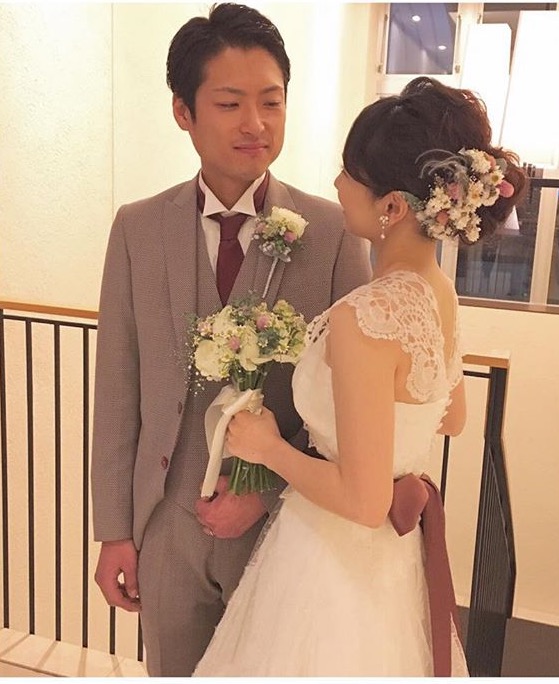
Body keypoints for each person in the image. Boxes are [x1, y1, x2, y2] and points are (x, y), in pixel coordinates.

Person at [193, 76, 526, 677]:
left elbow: (365, 502)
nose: (337, 183)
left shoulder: (365, 315)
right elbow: (452, 416)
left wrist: (267, 447)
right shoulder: (438, 291)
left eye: (349, 172)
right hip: (392, 562)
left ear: (392, 206)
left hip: (330, 561)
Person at [90, 3, 371, 677]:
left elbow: (349, 406)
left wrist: (267, 489)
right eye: (229, 103)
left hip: (285, 527)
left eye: (271, 101)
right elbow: (118, 385)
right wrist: (115, 531)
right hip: (166, 525)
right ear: (183, 112)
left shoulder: (332, 233)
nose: (256, 124)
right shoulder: (137, 228)